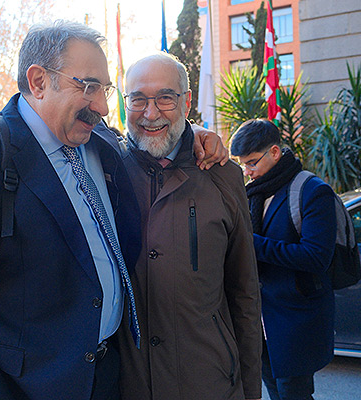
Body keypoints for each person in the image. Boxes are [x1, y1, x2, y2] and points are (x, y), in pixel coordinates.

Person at [0, 21, 225, 400]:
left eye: (105, 89)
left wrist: (192, 134)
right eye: (88, 87)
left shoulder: (99, 141)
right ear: (38, 82)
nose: (101, 105)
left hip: (109, 377)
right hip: (27, 389)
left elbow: (151, 136)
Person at [116, 53, 263, 400]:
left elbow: (244, 292)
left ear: (187, 100)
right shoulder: (105, 166)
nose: (151, 113)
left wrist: (251, 391)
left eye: (166, 97)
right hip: (128, 385)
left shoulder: (222, 174)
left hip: (209, 382)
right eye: (138, 98)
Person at [230, 119, 337, 400]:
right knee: (275, 392)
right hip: (259, 320)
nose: (247, 171)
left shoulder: (313, 190)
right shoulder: (252, 192)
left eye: (252, 162)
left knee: (294, 394)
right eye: (243, 164)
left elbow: (317, 257)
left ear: (275, 152)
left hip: (295, 321)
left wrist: (252, 245)